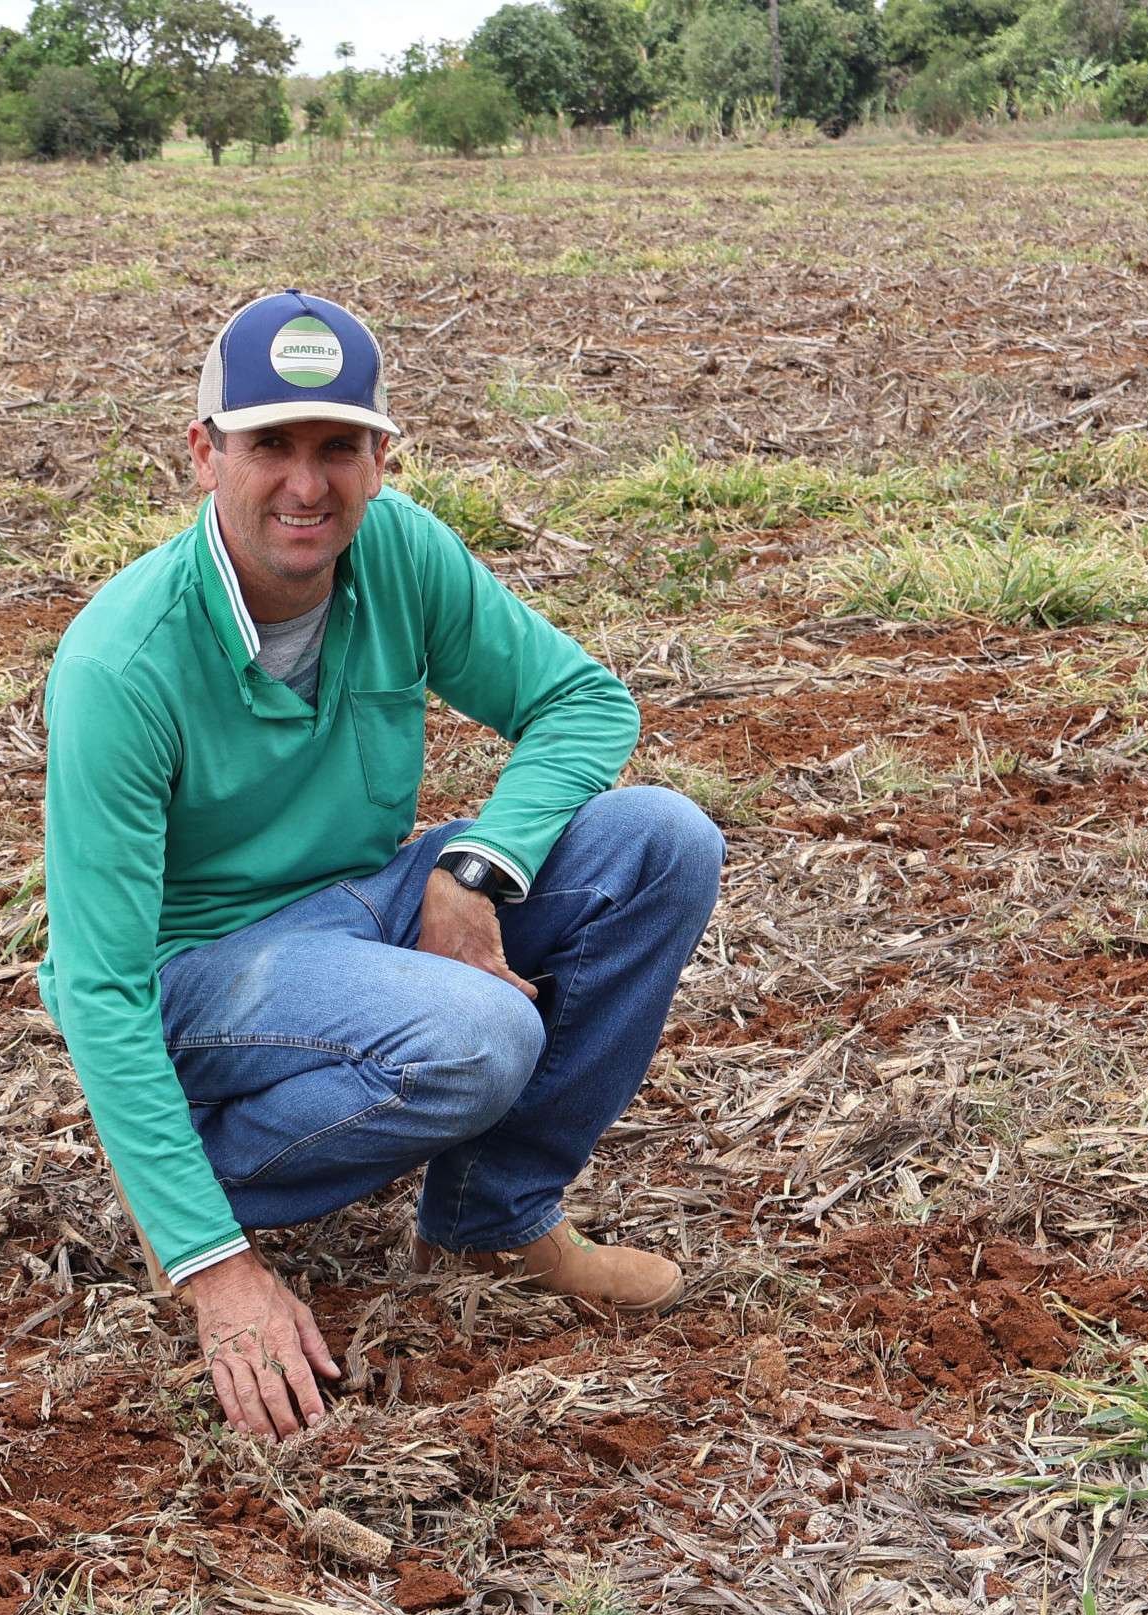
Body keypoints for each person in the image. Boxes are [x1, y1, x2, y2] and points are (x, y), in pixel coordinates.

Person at [37, 290, 725, 1441]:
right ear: (204, 453)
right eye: (271, 445)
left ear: (381, 459)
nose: (307, 486)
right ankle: (191, 1195)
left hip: (361, 905)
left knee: (663, 843)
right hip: (197, 974)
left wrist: (476, 868)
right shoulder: (123, 664)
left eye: (338, 448)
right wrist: (215, 1267)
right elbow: (99, 987)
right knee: (478, 1036)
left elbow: (583, 702)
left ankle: (495, 1217)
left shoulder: (398, 552)